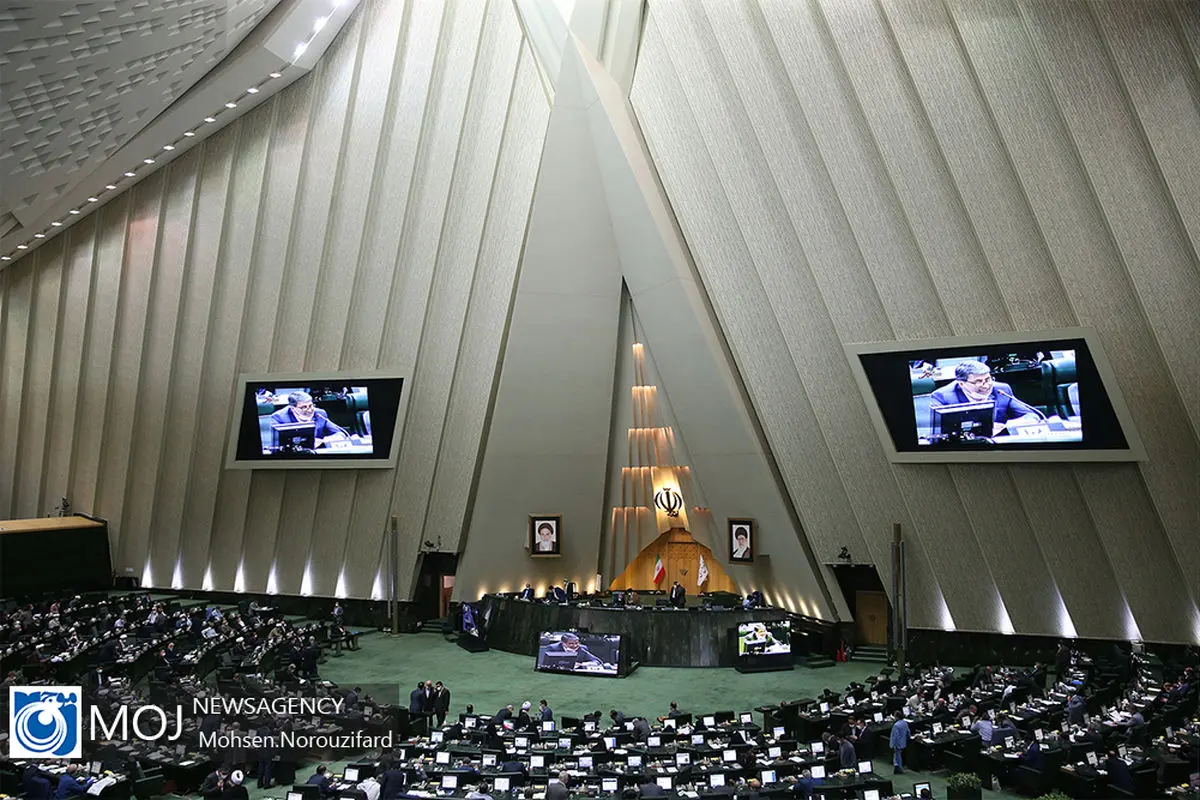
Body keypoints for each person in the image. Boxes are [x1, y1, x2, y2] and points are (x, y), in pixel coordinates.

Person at [929, 361, 1042, 433]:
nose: (987, 385)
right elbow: (938, 433)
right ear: (961, 383)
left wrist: (1009, 425)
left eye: (988, 379)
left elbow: (1031, 415)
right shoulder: (942, 397)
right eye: (979, 382)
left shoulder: (1002, 390)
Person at [268, 391, 349, 449]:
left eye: (310, 405)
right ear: (292, 408)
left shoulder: (320, 414)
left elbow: (340, 434)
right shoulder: (279, 417)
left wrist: (322, 440)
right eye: (304, 407)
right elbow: (274, 444)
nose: (309, 410)